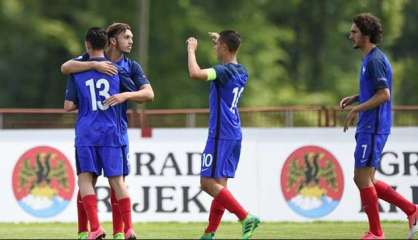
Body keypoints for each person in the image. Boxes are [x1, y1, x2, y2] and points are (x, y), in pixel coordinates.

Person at [62, 23, 153, 240]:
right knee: (116, 181)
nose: (131, 41)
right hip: (112, 131)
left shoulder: (81, 69)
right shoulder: (117, 70)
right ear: (110, 42)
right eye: (127, 37)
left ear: (87, 44)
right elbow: (66, 66)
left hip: (89, 132)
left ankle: (96, 229)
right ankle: (124, 229)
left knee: (86, 180)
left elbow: (67, 102)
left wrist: (123, 96)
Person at [341, 13, 418, 240]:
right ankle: (411, 210)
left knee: (361, 178)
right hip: (369, 126)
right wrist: (356, 98)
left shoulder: (375, 60)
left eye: (354, 32)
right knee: (367, 179)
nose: (350, 35)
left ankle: (376, 232)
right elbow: (375, 90)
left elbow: (384, 95)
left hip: (373, 127)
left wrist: (358, 109)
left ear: (366, 35)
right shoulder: (370, 59)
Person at [186, 30, 260, 240]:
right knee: (221, 187)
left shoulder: (222, 72)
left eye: (218, 45)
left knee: (207, 183)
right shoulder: (242, 71)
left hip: (220, 134)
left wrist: (191, 50)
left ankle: (245, 218)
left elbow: (196, 73)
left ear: (226, 48)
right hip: (234, 133)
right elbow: (229, 53)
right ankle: (210, 233)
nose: (215, 47)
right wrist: (224, 39)